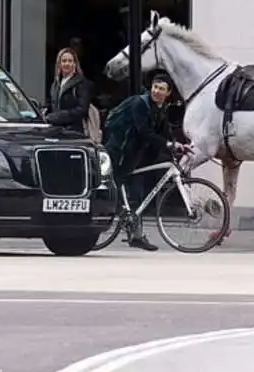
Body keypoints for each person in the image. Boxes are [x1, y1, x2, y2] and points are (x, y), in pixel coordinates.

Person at [102, 73, 191, 251]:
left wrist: (178, 145)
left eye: (161, 89)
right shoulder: (139, 104)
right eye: (155, 87)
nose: (157, 91)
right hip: (120, 150)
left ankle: (135, 234)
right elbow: (144, 132)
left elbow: (165, 133)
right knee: (118, 187)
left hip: (135, 154)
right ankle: (121, 218)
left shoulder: (161, 109)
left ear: (168, 93)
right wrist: (168, 144)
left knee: (138, 193)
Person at [43, 47, 93, 135]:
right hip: (55, 131)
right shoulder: (55, 84)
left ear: (75, 64)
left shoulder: (82, 83)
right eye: (64, 61)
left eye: (70, 61)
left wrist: (58, 117)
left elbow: (82, 110)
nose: (67, 64)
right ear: (59, 64)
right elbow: (51, 104)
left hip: (73, 132)